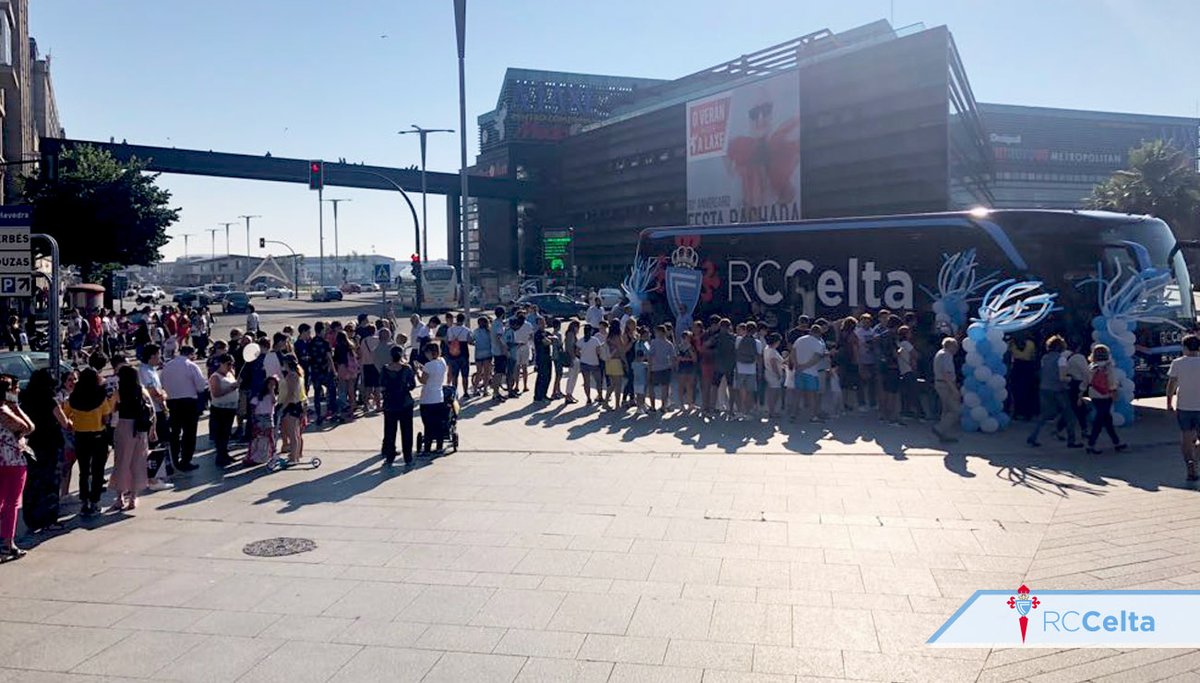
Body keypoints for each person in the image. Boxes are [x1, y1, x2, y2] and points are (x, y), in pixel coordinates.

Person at [20, 369, 70, 533]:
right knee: (51, 482)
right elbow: (64, 422)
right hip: (51, 442)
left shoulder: (26, 398)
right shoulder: (50, 400)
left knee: (33, 482)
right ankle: (49, 519)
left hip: (33, 443)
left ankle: (31, 519)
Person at [64, 368, 115, 516]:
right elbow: (106, 418)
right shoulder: (100, 397)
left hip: (81, 437)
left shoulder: (73, 397)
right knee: (98, 471)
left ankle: (84, 502)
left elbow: (65, 415)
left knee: (84, 471)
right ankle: (95, 502)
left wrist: (74, 423)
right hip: (98, 436)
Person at [110, 365, 155, 512]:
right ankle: (133, 498)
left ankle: (120, 497)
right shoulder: (142, 391)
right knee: (138, 462)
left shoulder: (118, 392)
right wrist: (153, 430)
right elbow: (151, 411)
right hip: (140, 429)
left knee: (121, 462)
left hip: (124, 427)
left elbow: (111, 409)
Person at [0, 376, 34, 560]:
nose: (18, 391)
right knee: (11, 503)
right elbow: (28, 427)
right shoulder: (4, 410)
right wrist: (16, 407)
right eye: (15, 388)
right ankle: (7, 543)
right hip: (11, 460)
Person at [1027, 336, 1081, 448]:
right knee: (1069, 415)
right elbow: (1062, 377)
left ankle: (1033, 436)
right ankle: (1071, 441)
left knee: (1044, 415)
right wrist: (1072, 379)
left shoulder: (1045, 358)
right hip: (1058, 390)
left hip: (1044, 388)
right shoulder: (1061, 359)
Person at [161, 346, 207, 471]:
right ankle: (186, 460)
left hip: (172, 402)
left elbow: (162, 383)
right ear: (191, 354)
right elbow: (201, 386)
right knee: (189, 433)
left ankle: (174, 458)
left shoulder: (167, 366)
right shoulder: (191, 366)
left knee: (174, 432)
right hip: (188, 402)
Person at [1166, 334, 1200, 481]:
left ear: (1184, 347)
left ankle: (1190, 466)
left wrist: (1169, 402)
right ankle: (1196, 460)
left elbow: (1171, 384)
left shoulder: (1177, 363)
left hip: (1184, 406)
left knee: (1186, 437)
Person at [1083, 343, 1127, 455]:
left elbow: (1087, 381)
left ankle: (1116, 442)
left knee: (1107, 419)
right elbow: (1112, 381)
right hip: (1105, 395)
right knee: (1100, 419)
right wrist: (1114, 392)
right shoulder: (1108, 366)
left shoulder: (1091, 366)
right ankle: (1091, 444)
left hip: (1094, 394)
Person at [381, 346, 417, 467]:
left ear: (391, 356)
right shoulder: (407, 369)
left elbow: (381, 385)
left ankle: (389, 457)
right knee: (407, 431)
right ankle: (408, 457)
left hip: (390, 403)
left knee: (390, 431)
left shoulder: (385, 369)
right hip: (405, 402)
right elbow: (412, 385)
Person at [790, 322, 827, 422]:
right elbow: (815, 359)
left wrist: (797, 365)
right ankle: (813, 416)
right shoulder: (818, 343)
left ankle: (793, 414)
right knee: (812, 395)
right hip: (811, 372)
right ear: (819, 333)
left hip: (798, 371)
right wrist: (805, 366)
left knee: (797, 393)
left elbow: (792, 353)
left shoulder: (799, 340)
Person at [208, 354, 240, 467]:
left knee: (227, 433)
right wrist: (232, 387)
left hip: (230, 408)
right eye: (228, 364)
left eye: (232, 364)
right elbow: (216, 393)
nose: (230, 366)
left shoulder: (231, 373)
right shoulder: (215, 377)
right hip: (219, 409)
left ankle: (225, 453)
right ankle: (220, 456)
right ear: (221, 364)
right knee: (220, 433)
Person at [417, 342, 448, 453]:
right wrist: (423, 368)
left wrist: (417, 372)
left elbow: (423, 380)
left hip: (427, 398)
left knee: (428, 425)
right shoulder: (442, 362)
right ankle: (439, 446)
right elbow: (433, 373)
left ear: (430, 352)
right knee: (438, 423)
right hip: (439, 397)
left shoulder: (428, 365)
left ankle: (427, 448)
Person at [932, 337, 961, 443]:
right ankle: (939, 428)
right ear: (950, 346)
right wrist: (954, 390)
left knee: (946, 410)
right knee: (955, 410)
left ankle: (943, 434)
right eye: (955, 346)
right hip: (945, 385)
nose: (957, 349)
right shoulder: (946, 355)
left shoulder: (940, 353)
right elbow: (946, 374)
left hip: (940, 383)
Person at [279, 355, 307, 464]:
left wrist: (282, 407)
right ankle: (296, 455)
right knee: (296, 432)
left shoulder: (291, 376)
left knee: (292, 433)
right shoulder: (298, 374)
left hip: (291, 406)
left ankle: (293, 457)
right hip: (297, 405)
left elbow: (290, 394)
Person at [245, 376, 278, 466]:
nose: (271, 385)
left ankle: (267, 455)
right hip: (259, 417)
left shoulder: (273, 396)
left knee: (268, 436)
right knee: (258, 437)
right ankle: (253, 456)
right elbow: (253, 406)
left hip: (268, 417)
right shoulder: (259, 396)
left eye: (273, 384)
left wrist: (272, 391)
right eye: (270, 383)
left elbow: (274, 401)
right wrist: (253, 419)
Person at [734, 322, 762, 419]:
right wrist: (760, 371)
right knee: (750, 391)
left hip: (740, 368)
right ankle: (747, 411)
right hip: (751, 369)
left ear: (745, 329)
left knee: (739, 390)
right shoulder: (757, 342)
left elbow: (736, 352)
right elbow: (759, 358)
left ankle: (740, 410)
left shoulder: (738, 339)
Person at [1009, 333, 1039, 420]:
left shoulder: (1013, 343)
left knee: (1019, 391)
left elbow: (1011, 354)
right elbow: (1032, 356)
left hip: (1019, 366)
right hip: (1025, 367)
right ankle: (1025, 412)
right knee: (1025, 390)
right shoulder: (1030, 343)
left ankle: (1019, 412)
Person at [709, 319, 736, 416]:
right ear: (729, 327)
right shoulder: (733, 338)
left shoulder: (716, 337)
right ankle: (731, 409)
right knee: (731, 387)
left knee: (714, 386)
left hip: (718, 365)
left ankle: (712, 408)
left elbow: (707, 345)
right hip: (730, 365)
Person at [333, 331, 359, 421]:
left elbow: (336, 359)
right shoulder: (350, 345)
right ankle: (352, 408)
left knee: (342, 390)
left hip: (342, 368)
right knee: (351, 391)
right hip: (351, 369)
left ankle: (343, 409)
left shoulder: (338, 347)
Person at [445, 313, 472, 398]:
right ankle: (465, 392)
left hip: (453, 355)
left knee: (454, 375)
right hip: (464, 354)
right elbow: (469, 341)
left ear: (456, 319)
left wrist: (451, 346)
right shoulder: (467, 330)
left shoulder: (450, 329)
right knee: (465, 375)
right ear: (464, 320)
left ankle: (454, 392)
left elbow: (447, 340)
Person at [577, 323, 604, 405]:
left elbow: (577, 351)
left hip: (584, 363)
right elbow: (599, 352)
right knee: (598, 381)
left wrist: (582, 356)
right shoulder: (595, 340)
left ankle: (588, 398)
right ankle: (600, 396)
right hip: (594, 363)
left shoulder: (581, 340)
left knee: (586, 382)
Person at [602, 320, 626, 410]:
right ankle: (617, 405)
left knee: (612, 384)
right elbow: (621, 351)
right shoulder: (617, 337)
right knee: (618, 385)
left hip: (609, 362)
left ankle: (606, 402)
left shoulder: (608, 337)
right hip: (616, 361)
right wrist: (625, 362)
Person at [763, 333, 785, 419]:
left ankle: (770, 410)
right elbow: (773, 363)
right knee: (774, 393)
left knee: (771, 393)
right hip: (773, 375)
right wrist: (778, 374)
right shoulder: (772, 351)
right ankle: (772, 411)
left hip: (769, 373)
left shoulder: (766, 349)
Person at [533, 317, 555, 402]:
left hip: (548, 357)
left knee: (548, 376)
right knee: (542, 377)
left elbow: (555, 338)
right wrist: (550, 340)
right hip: (541, 358)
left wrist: (551, 339)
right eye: (540, 323)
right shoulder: (538, 334)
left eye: (543, 322)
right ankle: (539, 396)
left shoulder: (546, 332)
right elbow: (547, 342)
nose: (543, 324)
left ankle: (544, 394)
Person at [630, 326, 652, 413]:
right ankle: (641, 404)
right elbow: (647, 354)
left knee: (643, 388)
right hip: (642, 365)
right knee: (642, 388)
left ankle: (642, 403)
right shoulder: (639, 343)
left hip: (643, 363)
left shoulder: (644, 343)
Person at [471, 318, 493, 398]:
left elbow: (471, 340)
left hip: (478, 354)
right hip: (488, 353)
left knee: (479, 372)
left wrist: (476, 344)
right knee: (486, 373)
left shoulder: (476, 331)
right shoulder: (489, 332)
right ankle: (485, 390)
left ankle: (475, 390)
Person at [562, 320, 581, 404]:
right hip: (572, 358)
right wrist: (573, 358)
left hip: (574, 357)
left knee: (573, 377)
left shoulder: (571, 334)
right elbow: (569, 347)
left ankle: (570, 394)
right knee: (572, 377)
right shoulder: (570, 334)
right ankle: (568, 395)